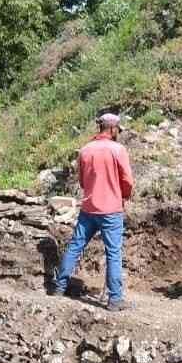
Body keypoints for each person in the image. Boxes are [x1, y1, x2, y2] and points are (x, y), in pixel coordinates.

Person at [49, 112, 135, 311]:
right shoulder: (118, 150)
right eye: (117, 130)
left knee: (75, 246)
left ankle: (59, 287)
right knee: (113, 252)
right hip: (111, 210)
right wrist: (123, 194)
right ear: (113, 129)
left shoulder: (85, 150)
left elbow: (82, 181)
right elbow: (128, 182)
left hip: (89, 208)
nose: (118, 133)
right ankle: (115, 300)